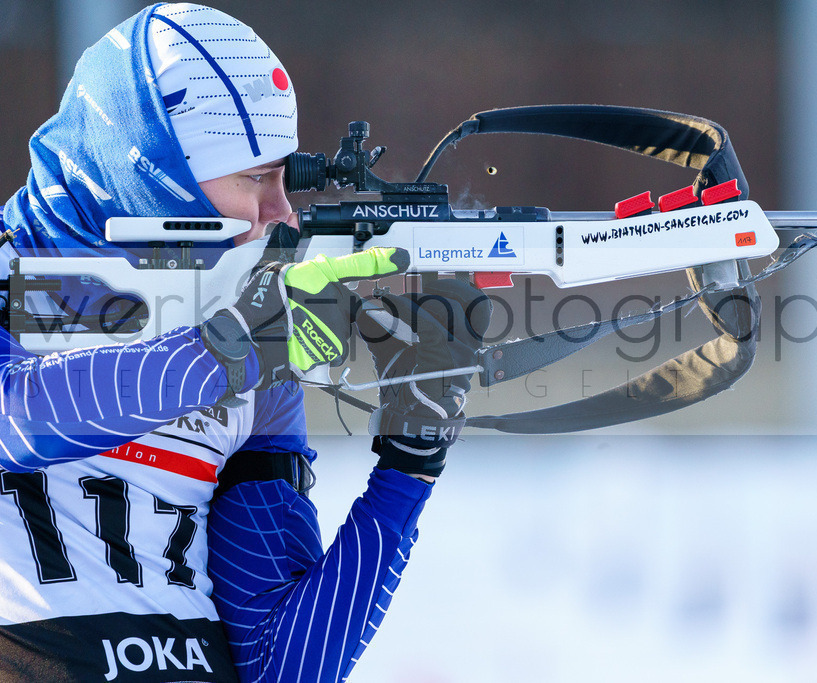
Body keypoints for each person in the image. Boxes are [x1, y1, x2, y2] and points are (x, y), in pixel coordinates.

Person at [0, 3, 488, 681]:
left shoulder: (252, 332)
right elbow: (16, 417)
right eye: (254, 178)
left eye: (285, 176)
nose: (283, 212)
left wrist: (411, 457)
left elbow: (284, 665)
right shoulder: (17, 281)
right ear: (156, 166)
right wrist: (231, 351)